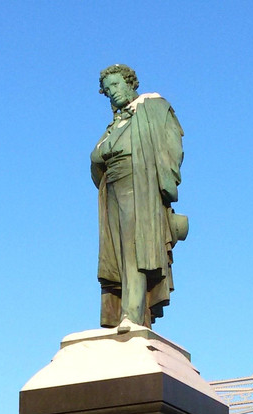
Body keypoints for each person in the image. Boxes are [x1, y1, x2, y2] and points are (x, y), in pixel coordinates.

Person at [91, 64, 186, 330]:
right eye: (108, 90)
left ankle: (131, 315)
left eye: (117, 85)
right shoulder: (115, 124)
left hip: (140, 186)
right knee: (117, 255)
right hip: (112, 188)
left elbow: (172, 146)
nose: (113, 93)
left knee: (135, 249)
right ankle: (121, 313)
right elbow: (97, 158)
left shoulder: (153, 108)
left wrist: (161, 181)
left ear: (131, 83)